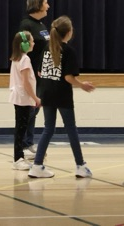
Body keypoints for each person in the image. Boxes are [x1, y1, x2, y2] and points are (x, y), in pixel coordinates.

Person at [28, 16, 95, 179]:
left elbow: (39, 72)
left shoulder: (45, 48)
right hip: (62, 95)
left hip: (46, 92)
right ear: (69, 32)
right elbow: (68, 77)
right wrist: (82, 85)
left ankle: (36, 166)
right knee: (71, 129)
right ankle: (80, 165)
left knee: (48, 129)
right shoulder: (68, 51)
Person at [18, 0, 50, 158]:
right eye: (46, 3)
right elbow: (22, 49)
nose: (48, 6)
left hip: (42, 73)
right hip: (31, 73)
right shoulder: (26, 25)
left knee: (35, 108)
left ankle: (29, 143)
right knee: (29, 109)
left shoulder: (42, 26)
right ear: (37, 5)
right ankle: (23, 145)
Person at [9, 31, 41, 171]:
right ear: (25, 44)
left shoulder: (17, 58)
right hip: (24, 98)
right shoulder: (25, 59)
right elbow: (26, 82)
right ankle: (18, 158)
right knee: (21, 129)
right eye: (32, 41)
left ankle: (19, 156)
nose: (34, 43)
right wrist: (35, 98)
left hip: (20, 97)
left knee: (20, 128)